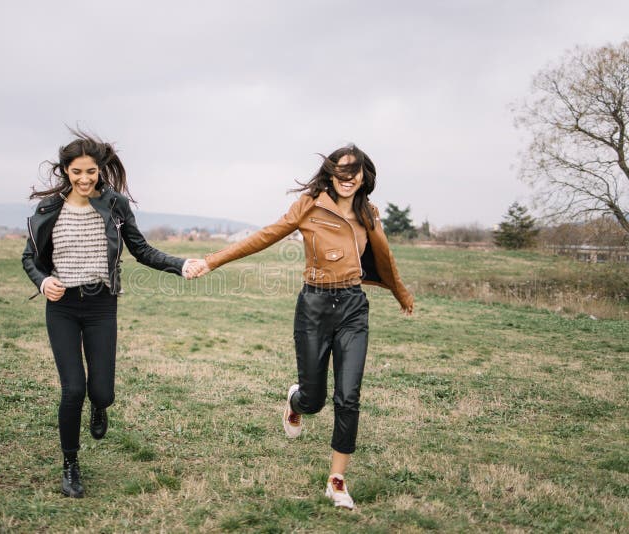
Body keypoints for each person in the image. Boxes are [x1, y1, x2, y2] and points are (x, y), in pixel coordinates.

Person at [190, 144, 413, 509]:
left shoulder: (367, 213)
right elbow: (264, 235)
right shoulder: (309, 206)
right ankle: (296, 400)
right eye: (341, 171)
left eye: (354, 172)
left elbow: (385, 257)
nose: (348, 178)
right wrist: (213, 261)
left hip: (354, 309)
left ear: (364, 176)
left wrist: (401, 293)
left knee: (349, 397)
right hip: (314, 307)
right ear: (330, 174)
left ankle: (337, 481)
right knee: (316, 400)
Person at [21, 129, 198, 498]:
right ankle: (70, 464)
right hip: (63, 307)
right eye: (76, 172)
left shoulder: (115, 205)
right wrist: (42, 282)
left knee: (100, 391)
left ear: (100, 169)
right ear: (65, 172)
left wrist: (180, 265)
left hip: (102, 305)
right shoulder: (49, 209)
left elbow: (142, 250)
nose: (85, 179)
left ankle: (100, 407)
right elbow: (29, 258)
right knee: (73, 390)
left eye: (91, 171)